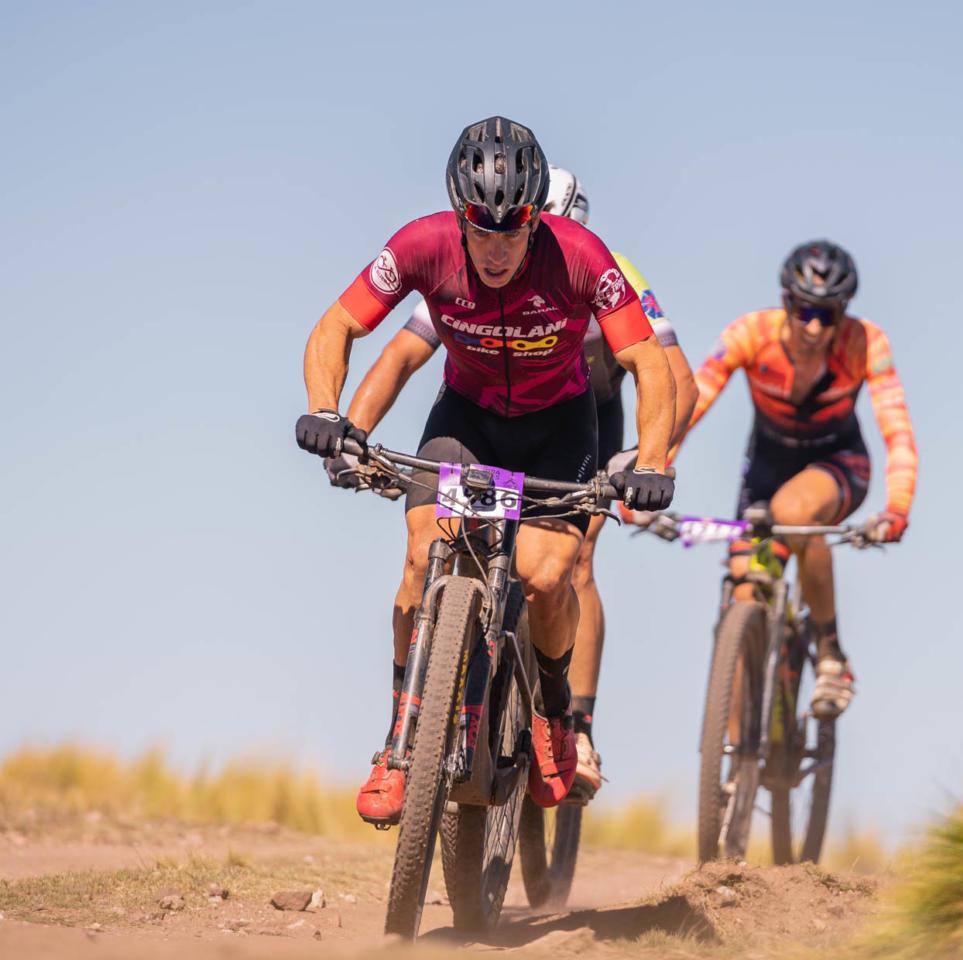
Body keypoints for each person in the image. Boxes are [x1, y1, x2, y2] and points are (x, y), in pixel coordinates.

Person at [295, 117, 677, 824]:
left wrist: (651, 462)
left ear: (535, 219)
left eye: (513, 231)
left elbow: (650, 363)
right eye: (481, 230)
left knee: (547, 576)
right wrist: (329, 413)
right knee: (421, 555)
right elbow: (338, 326)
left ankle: (555, 714)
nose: (497, 249)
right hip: (466, 422)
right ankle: (399, 744)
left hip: (560, 427)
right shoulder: (422, 245)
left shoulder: (581, 256)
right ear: (459, 215)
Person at [670, 240, 917, 717]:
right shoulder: (751, 333)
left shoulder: (865, 343)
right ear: (786, 302)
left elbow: (898, 430)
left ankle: (830, 656)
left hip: (838, 464)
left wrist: (898, 508)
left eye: (828, 314)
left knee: (797, 512)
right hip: (767, 468)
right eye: (805, 310)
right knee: (744, 590)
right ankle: (739, 751)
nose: (815, 327)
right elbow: (692, 402)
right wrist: (652, 466)